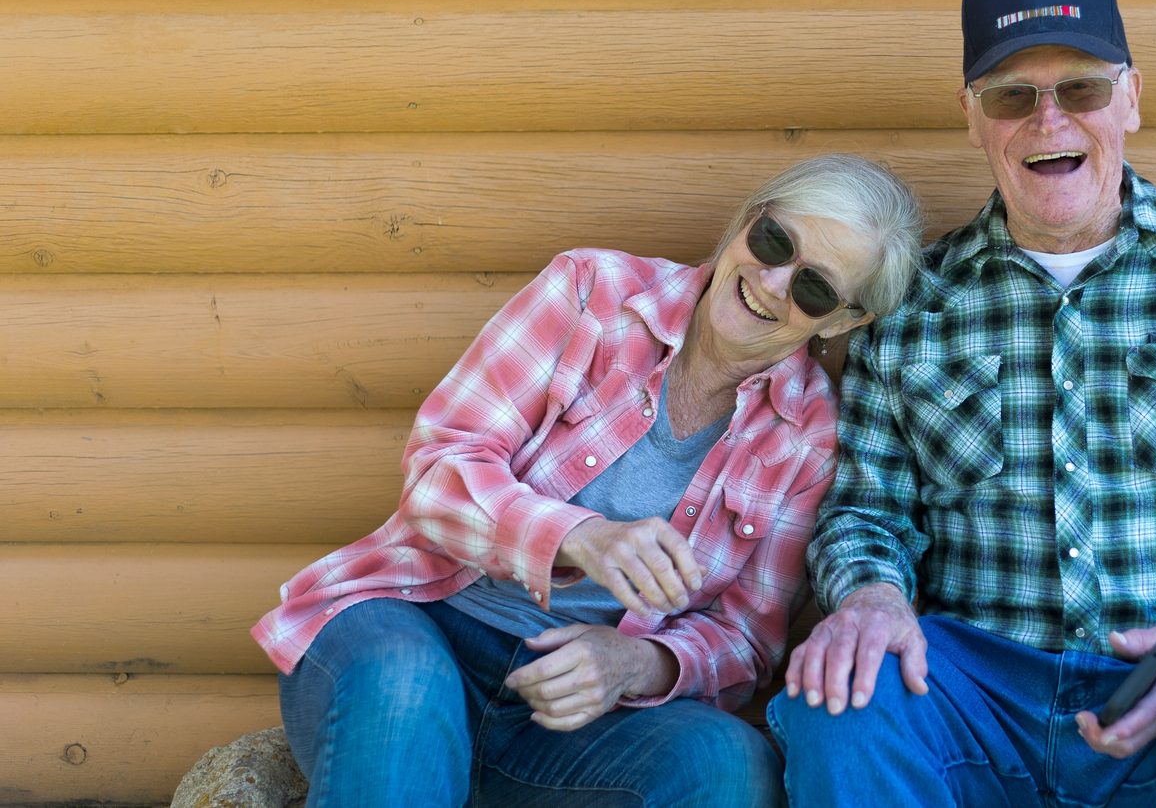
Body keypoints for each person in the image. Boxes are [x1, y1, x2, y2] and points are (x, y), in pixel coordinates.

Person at [768, 0, 1156, 807]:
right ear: (972, 116)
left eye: (1081, 90)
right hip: (977, 699)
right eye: (1011, 95)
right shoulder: (915, 302)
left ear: (1130, 97)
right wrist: (870, 598)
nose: (1048, 118)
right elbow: (868, 512)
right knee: (841, 699)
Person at [252, 154, 923, 807]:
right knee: (406, 686)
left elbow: (745, 642)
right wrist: (584, 538)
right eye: (774, 242)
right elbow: (439, 474)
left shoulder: (807, 438)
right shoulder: (592, 292)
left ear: (843, 320)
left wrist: (635, 664)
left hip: (570, 722)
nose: (772, 283)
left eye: (813, 288)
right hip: (416, 624)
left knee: (728, 764)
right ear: (750, 218)